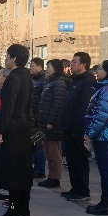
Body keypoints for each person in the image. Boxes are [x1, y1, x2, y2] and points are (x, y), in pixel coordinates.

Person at [0, 44, 34, 216]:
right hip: (24, 128)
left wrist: (0, 131)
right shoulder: (27, 77)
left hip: (13, 129)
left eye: (7, 55)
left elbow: (7, 108)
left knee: (12, 172)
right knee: (23, 171)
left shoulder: (13, 78)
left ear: (14, 58)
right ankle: (24, 209)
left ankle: (13, 210)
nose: (5, 59)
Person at [85, 60, 108, 215]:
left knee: (105, 169)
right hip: (102, 134)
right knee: (104, 169)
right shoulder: (106, 87)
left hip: (103, 135)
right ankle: (105, 201)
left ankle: (106, 203)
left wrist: (89, 134)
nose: (97, 71)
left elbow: (102, 116)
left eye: (101, 68)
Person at [61, 52, 96, 202]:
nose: (71, 64)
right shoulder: (74, 81)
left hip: (78, 129)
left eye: (74, 62)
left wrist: (79, 129)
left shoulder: (87, 82)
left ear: (83, 65)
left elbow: (85, 107)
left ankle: (82, 191)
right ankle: (75, 188)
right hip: (69, 127)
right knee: (71, 161)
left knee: (79, 161)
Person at [36, 59, 70, 189]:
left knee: (54, 153)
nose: (47, 69)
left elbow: (58, 103)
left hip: (53, 125)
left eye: (49, 66)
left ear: (57, 68)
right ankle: (51, 176)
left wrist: (51, 121)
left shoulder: (59, 83)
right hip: (45, 123)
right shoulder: (50, 82)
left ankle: (55, 178)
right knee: (48, 152)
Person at [29, 58, 48, 179]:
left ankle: (40, 169)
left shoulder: (43, 81)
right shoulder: (33, 80)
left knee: (38, 143)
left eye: (32, 66)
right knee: (33, 142)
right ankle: (35, 167)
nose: (30, 68)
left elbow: (43, 100)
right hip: (32, 115)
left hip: (38, 116)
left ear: (40, 67)